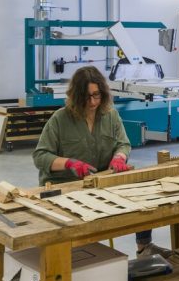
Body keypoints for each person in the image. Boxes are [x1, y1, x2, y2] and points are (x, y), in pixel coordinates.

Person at [33, 66, 158, 253]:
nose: (92, 102)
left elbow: (123, 144)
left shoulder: (110, 115)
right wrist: (69, 163)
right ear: (76, 95)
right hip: (68, 186)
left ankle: (144, 247)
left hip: (101, 182)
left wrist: (119, 158)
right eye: (86, 96)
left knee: (142, 197)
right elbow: (40, 156)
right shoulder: (60, 119)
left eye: (96, 95)